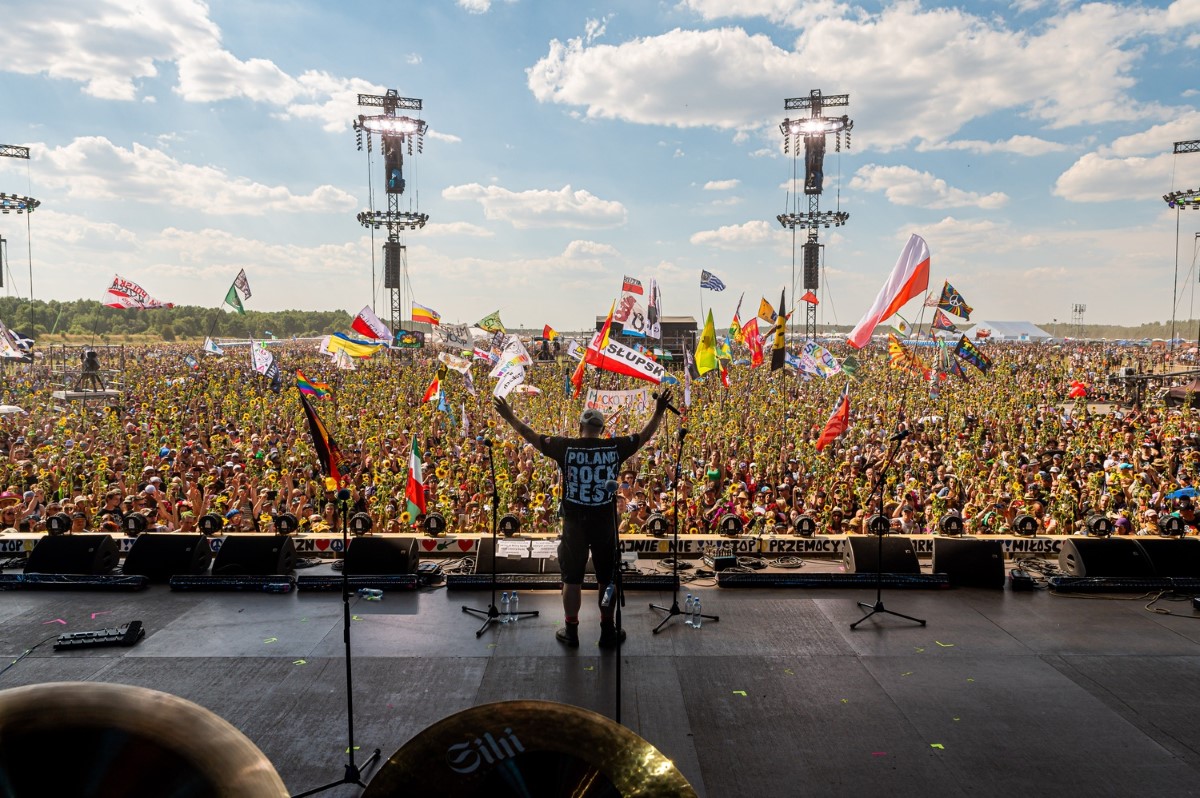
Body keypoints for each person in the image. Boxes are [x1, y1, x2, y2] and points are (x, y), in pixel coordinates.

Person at [492, 389, 672, 650]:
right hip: (604, 524)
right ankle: (607, 630)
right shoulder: (614, 447)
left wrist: (509, 416)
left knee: (572, 579)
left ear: (580, 427)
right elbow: (644, 437)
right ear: (601, 429)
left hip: (574, 524)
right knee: (607, 579)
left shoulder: (566, 447)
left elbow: (531, 436)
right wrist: (658, 412)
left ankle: (571, 630)